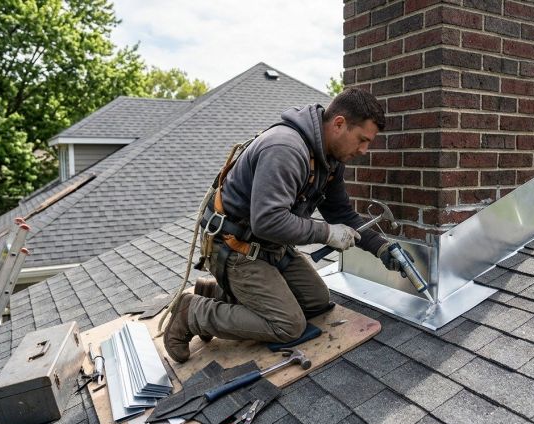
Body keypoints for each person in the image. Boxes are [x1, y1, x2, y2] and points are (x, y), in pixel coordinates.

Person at [164, 88, 404, 363]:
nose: (363, 150)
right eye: (362, 140)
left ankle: (215, 293)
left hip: (270, 246)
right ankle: (193, 313)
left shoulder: (330, 160)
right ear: (339, 123)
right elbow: (267, 221)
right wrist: (326, 233)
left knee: (316, 300)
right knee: (288, 325)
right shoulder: (285, 149)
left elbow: (340, 212)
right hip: (235, 246)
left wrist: (381, 248)